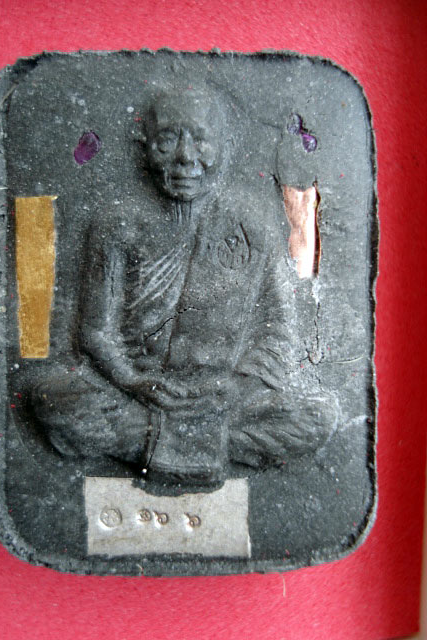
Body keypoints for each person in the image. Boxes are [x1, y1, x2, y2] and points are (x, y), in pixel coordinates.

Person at [33, 86, 337, 484]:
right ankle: (207, 444)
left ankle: (159, 444)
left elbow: (278, 333)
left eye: (201, 142)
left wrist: (236, 388)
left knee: (318, 415)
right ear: (143, 148)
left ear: (225, 146)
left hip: (226, 401)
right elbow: (96, 332)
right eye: (167, 141)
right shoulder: (117, 225)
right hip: (140, 396)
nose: (185, 158)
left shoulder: (252, 224)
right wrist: (135, 382)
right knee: (51, 397)